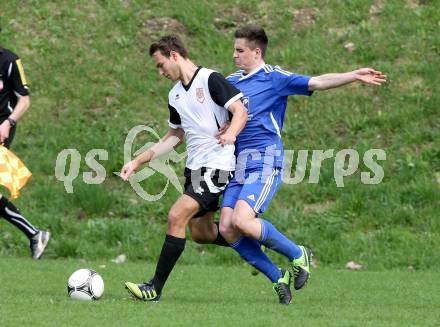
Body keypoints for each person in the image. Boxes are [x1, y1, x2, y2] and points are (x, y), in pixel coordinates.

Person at [189, 25, 387, 305]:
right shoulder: (232, 82)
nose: (234, 55)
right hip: (238, 165)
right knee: (227, 228)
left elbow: (317, 82)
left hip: (265, 161)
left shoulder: (275, 78)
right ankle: (277, 276)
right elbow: (226, 117)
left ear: (257, 52)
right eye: (234, 50)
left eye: (240, 50)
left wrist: (353, 75)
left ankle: (298, 254)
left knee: (243, 221)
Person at [120, 35, 249, 302]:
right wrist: (137, 161)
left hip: (217, 166)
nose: (160, 72)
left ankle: (154, 288)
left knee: (176, 216)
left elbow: (240, 111)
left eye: (161, 64)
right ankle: (257, 242)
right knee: (203, 234)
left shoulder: (211, 79)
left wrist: (231, 134)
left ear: (174, 55)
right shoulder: (175, 94)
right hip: (194, 170)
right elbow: (174, 137)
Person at [0, 46, 50, 259]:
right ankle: (34, 234)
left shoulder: (9, 61)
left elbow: (24, 100)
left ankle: (34, 234)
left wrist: (8, 123)